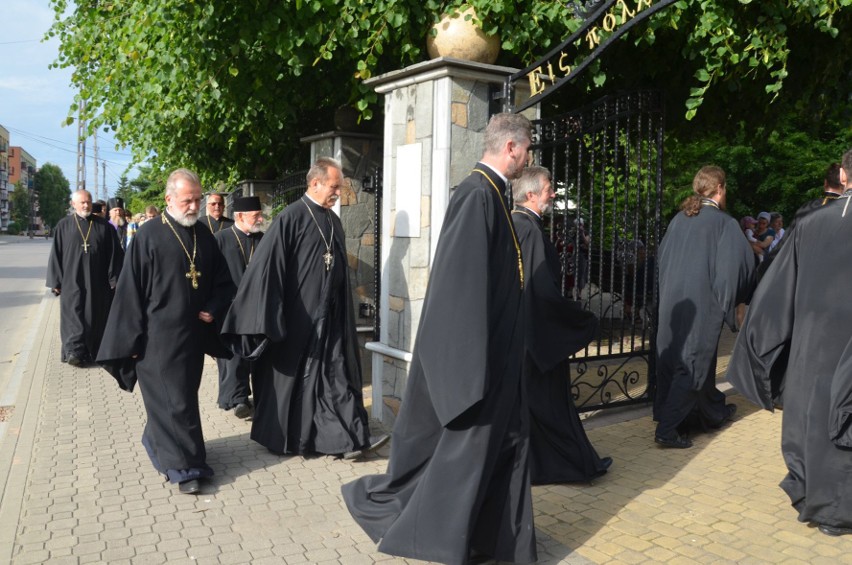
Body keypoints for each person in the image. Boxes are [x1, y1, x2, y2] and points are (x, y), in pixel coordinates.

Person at [341, 113, 537, 565]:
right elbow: (460, 290)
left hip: (499, 356)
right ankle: (441, 536)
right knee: (466, 458)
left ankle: (495, 541)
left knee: (499, 450)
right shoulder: (476, 195)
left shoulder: (492, 194)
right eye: (526, 149)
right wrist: (469, 371)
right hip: (481, 362)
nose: (528, 158)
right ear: (511, 147)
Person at [221, 158, 386, 459]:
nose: (338, 192)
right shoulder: (290, 218)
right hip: (299, 318)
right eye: (334, 186)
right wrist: (270, 314)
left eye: (340, 187)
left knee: (334, 374)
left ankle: (347, 439)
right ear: (315, 183)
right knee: (301, 382)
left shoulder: (332, 220)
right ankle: (294, 438)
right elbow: (267, 269)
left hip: (330, 315)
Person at [726, 149, 852, 537]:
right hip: (831, 344)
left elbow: (777, 292)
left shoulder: (812, 223)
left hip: (815, 346)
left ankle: (823, 501)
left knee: (816, 416)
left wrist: (762, 349)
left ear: (844, 175)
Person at [97, 169, 236, 495]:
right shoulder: (148, 237)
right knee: (172, 402)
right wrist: (129, 340)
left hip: (192, 338)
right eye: (188, 200)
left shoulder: (203, 234)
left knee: (184, 399)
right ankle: (183, 468)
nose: (194, 206)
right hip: (155, 340)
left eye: (198, 200)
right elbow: (130, 293)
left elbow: (223, 282)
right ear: (169, 199)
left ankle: (168, 446)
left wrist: (214, 308)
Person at [511, 166, 610, 484]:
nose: (552, 194)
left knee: (535, 407)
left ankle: (542, 466)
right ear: (531, 195)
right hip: (538, 337)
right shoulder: (530, 230)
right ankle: (575, 465)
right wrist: (581, 319)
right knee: (551, 408)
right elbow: (542, 292)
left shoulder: (512, 226)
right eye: (548, 189)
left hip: (519, 336)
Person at [653, 165, 754, 448]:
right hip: (702, 303)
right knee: (694, 362)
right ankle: (668, 429)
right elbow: (738, 268)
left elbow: (662, 259)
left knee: (677, 358)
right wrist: (730, 302)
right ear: (720, 188)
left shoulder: (678, 221)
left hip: (675, 300)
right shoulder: (724, 224)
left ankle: (711, 412)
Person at [46, 189, 123, 366]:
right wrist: (55, 281)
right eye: (82, 202)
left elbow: (114, 255)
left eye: (88, 202)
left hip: (98, 282)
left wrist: (115, 280)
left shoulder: (104, 227)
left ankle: (94, 351)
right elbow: (56, 255)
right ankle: (74, 351)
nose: (86, 205)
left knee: (95, 316)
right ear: (74, 204)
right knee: (73, 316)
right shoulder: (63, 226)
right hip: (71, 281)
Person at [214, 196, 265, 419]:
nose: (261, 219)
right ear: (241, 216)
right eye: (256, 216)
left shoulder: (264, 239)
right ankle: (237, 399)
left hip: (258, 307)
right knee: (233, 356)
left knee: (259, 355)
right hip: (230, 307)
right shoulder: (220, 239)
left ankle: (263, 399)